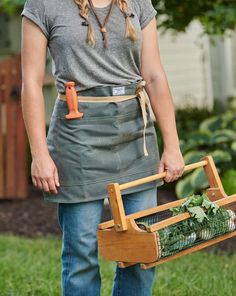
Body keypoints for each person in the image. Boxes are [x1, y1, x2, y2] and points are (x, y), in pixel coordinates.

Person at [20, 0, 185, 295]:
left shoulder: (138, 3)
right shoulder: (43, 5)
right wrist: (39, 154)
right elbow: (30, 82)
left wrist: (172, 145)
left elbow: (154, 75)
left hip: (136, 134)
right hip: (77, 134)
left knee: (140, 245)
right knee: (81, 250)